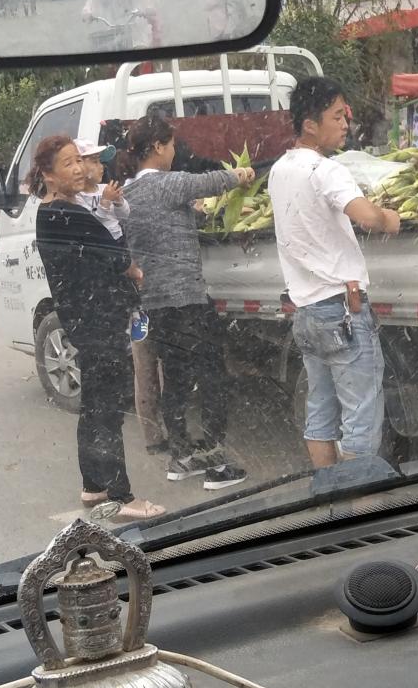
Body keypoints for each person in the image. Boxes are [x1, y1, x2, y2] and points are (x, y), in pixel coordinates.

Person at [267, 79, 400, 467]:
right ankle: (359, 499)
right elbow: (366, 217)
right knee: (361, 419)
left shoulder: (279, 169)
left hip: (307, 312)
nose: (345, 124)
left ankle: (329, 492)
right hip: (342, 312)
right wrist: (389, 218)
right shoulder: (325, 170)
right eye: (337, 116)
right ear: (310, 125)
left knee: (321, 413)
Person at [33, 134, 164, 522]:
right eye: (68, 163)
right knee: (107, 410)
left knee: (93, 406)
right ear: (48, 175)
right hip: (99, 321)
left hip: (84, 320)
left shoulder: (50, 213)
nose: (79, 168)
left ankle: (93, 486)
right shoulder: (68, 214)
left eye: (79, 160)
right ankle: (121, 497)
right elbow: (118, 255)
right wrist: (133, 271)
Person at [123, 113, 255, 489]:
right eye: (171, 145)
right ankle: (216, 463)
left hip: (156, 303)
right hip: (187, 299)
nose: (174, 152)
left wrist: (192, 214)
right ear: (157, 147)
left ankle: (181, 457)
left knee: (177, 379)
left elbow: (164, 226)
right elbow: (208, 181)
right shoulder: (167, 183)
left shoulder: (129, 194)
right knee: (213, 376)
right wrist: (241, 174)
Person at [72, 138, 168, 455]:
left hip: (130, 279)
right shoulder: (76, 201)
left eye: (101, 161)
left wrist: (117, 201)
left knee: (149, 352)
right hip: (111, 284)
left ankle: (161, 426)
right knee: (138, 362)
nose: (99, 167)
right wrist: (104, 204)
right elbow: (95, 233)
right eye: (92, 160)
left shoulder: (106, 190)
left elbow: (125, 216)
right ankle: (148, 434)